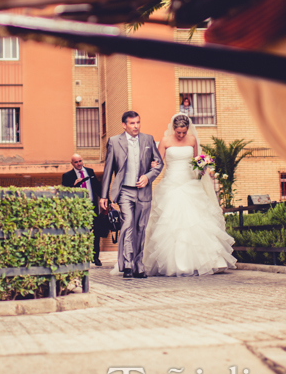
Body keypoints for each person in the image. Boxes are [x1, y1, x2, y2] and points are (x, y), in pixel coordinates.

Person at [143, 113, 236, 276]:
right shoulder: (165, 141)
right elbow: (158, 163)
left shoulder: (192, 140)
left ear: (187, 129)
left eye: (183, 132)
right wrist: (153, 166)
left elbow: (196, 161)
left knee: (197, 220)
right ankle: (175, 264)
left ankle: (205, 262)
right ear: (173, 128)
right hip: (170, 184)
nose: (181, 135)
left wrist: (203, 167)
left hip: (190, 182)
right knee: (171, 222)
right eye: (178, 132)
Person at [100, 111, 163, 278]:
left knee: (141, 228)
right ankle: (127, 264)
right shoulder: (114, 142)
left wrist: (148, 176)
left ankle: (138, 264)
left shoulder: (148, 139)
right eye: (132, 123)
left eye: (138, 122)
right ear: (124, 125)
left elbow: (159, 164)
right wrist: (104, 196)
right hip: (125, 191)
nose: (136, 126)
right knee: (127, 224)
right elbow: (108, 170)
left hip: (143, 191)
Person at [62, 153, 104, 266]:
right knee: (79, 232)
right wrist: (74, 185)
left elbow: (98, 188)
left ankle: (95, 257)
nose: (79, 164)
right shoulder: (67, 176)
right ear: (72, 163)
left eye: (80, 161)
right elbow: (64, 193)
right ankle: (81, 257)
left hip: (92, 205)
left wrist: (106, 200)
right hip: (78, 207)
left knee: (96, 232)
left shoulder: (90, 172)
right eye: (76, 162)